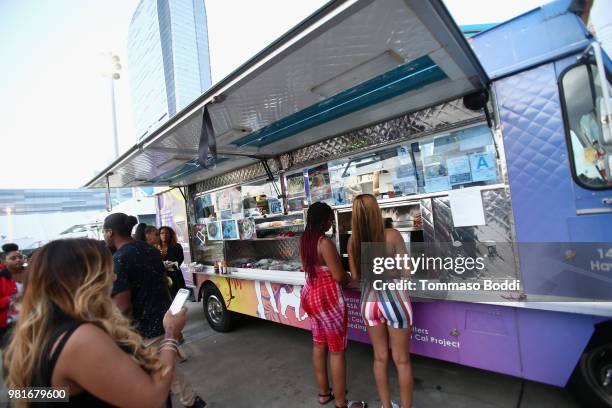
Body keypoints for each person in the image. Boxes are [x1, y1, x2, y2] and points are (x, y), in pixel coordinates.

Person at [3, 238, 187, 408]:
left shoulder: (43, 334)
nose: (114, 278)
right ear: (84, 279)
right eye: (107, 271)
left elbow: (46, 395)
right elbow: (153, 397)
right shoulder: (81, 339)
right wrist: (170, 334)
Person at [103, 213, 206, 408]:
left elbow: (123, 305)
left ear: (110, 232)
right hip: (163, 318)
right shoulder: (149, 250)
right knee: (164, 370)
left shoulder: (119, 259)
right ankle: (192, 402)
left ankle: (193, 402)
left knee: (162, 372)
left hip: (143, 328)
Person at [348, 194, 413, 408]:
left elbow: (356, 279)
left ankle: (386, 406)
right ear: (377, 212)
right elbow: (407, 272)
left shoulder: (352, 242)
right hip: (394, 299)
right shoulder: (392, 235)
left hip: (369, 301)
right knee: (402, 360)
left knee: (379, 357)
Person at [299, 202, 367, 408]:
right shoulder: (324, 242)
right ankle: (341, 402)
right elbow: (339, 276)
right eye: (329, 219)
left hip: (309, 295)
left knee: (319, 345)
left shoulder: (305, 240)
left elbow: (307, 267)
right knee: (337, 351)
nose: (330, 223)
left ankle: (324, 393)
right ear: (323, 220)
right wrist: (350, 278)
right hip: (327, 299)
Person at [0, 243, 23, 347]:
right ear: (4, 262)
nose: (18, 260)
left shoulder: (30, 274)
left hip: (29, 320)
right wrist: (10, 298)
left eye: (20, 257)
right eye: (13, 258)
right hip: (8, 324)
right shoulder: (2, 278)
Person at [159, 226, 187, 299]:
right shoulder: (156, 247)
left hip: (175, 276)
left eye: (166, 233)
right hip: (162, 277)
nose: (164, 235)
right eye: (162, 233)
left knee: (177, 298)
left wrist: (170, 265)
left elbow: (180, 260)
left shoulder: (177, 246)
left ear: (170, 235)